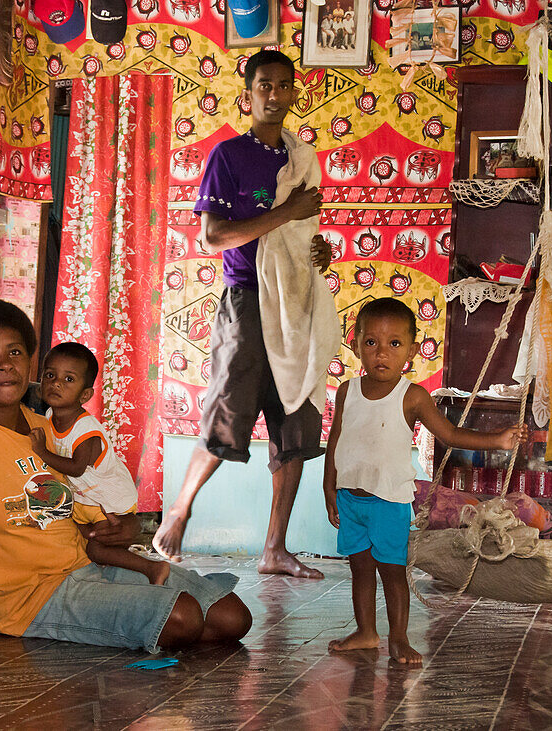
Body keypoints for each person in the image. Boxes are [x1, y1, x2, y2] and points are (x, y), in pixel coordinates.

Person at [0, 299, 251, 652]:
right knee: (183, 618)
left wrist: (122, 529)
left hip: (90, 561)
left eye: (15, 353)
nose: (5, 365)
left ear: (31, 361)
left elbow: (72, 507)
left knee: (233, 618)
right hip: (36, 596)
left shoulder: (49, 427)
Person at [151, 49, 332, 579]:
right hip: (248, 300)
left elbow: (301, 236)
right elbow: (213, 237)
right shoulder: (228, 157)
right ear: (248, 92)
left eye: (283, 86)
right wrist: (284, 213)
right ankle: (179, 511)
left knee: (296, 418)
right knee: (227, 410)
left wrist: (320, 252)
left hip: (293, 302)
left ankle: (274, 549)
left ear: (295, 92)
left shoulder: (301, 158)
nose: (274, 95)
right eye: (264, 86)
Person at [323, 297, 528, 664]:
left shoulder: (412, 397)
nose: (381, 353)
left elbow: (450, 434)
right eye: (371, 343)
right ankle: (367, 632)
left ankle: (398, 638)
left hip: (388, 502)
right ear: (355, 345)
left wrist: (497, 439)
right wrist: (329, 487)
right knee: (360, 569)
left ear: (412, 351)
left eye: (394, 344)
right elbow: (336, 440)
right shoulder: (346, 392)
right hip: (350, 500)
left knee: (392, 571)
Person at [28, 341, 170, 585]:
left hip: (109, 499)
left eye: (68, 379)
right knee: (85, 542)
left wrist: (41, 451)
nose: (56, 383)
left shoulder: (86, 430)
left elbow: (76, 467)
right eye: (50, 375)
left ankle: (153, 569)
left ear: (85, 395)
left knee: (96, 549)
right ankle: (123, 569)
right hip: (87, 497)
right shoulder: (50, 416)